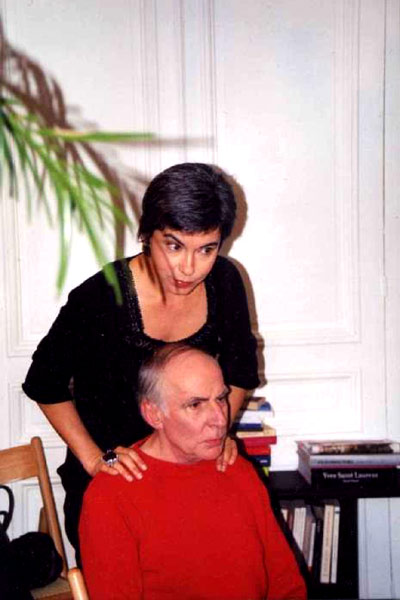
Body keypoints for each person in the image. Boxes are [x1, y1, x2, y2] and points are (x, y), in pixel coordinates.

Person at [22, 162, 260, 558]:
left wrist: (216, 434)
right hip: (116, 481)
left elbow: (241, 372)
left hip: (189, 473)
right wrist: (94, 460)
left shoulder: (225, 281)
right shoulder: (100, 297)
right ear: (147, 234)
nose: (189, 268)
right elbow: (43, 384)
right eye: (174, 245)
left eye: (206, 249)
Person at [79, 344, 306, 600]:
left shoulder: (235, 468)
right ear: (153, 414)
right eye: (195, 404)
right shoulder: (111, 494)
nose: (219, 419)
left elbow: (286, 586)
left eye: (221, 398)